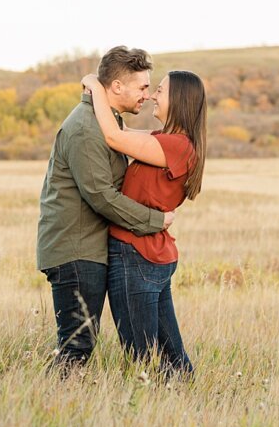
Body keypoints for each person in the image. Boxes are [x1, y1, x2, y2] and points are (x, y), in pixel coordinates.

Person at [37, 46, 175, 373]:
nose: (146, 95)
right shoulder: (86, 127)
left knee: (80, 341)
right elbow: (101, 195)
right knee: (77, 343)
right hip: (75, 250)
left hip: (86, 248)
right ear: (116, 87)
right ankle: (51, 407)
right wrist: (157, 221)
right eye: (142, 87)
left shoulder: (103, 121)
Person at [80, 69, 207, 379]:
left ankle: (150, 415)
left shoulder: (176, 146)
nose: (152, 96)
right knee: (170, 357)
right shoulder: (166, 142)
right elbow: (118, 129)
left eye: (160, 91)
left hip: (136, 255)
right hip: (149, 255)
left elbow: (113, 137)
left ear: (177, 101)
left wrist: (96, 86)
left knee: (141, 357)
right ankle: (182, 402)